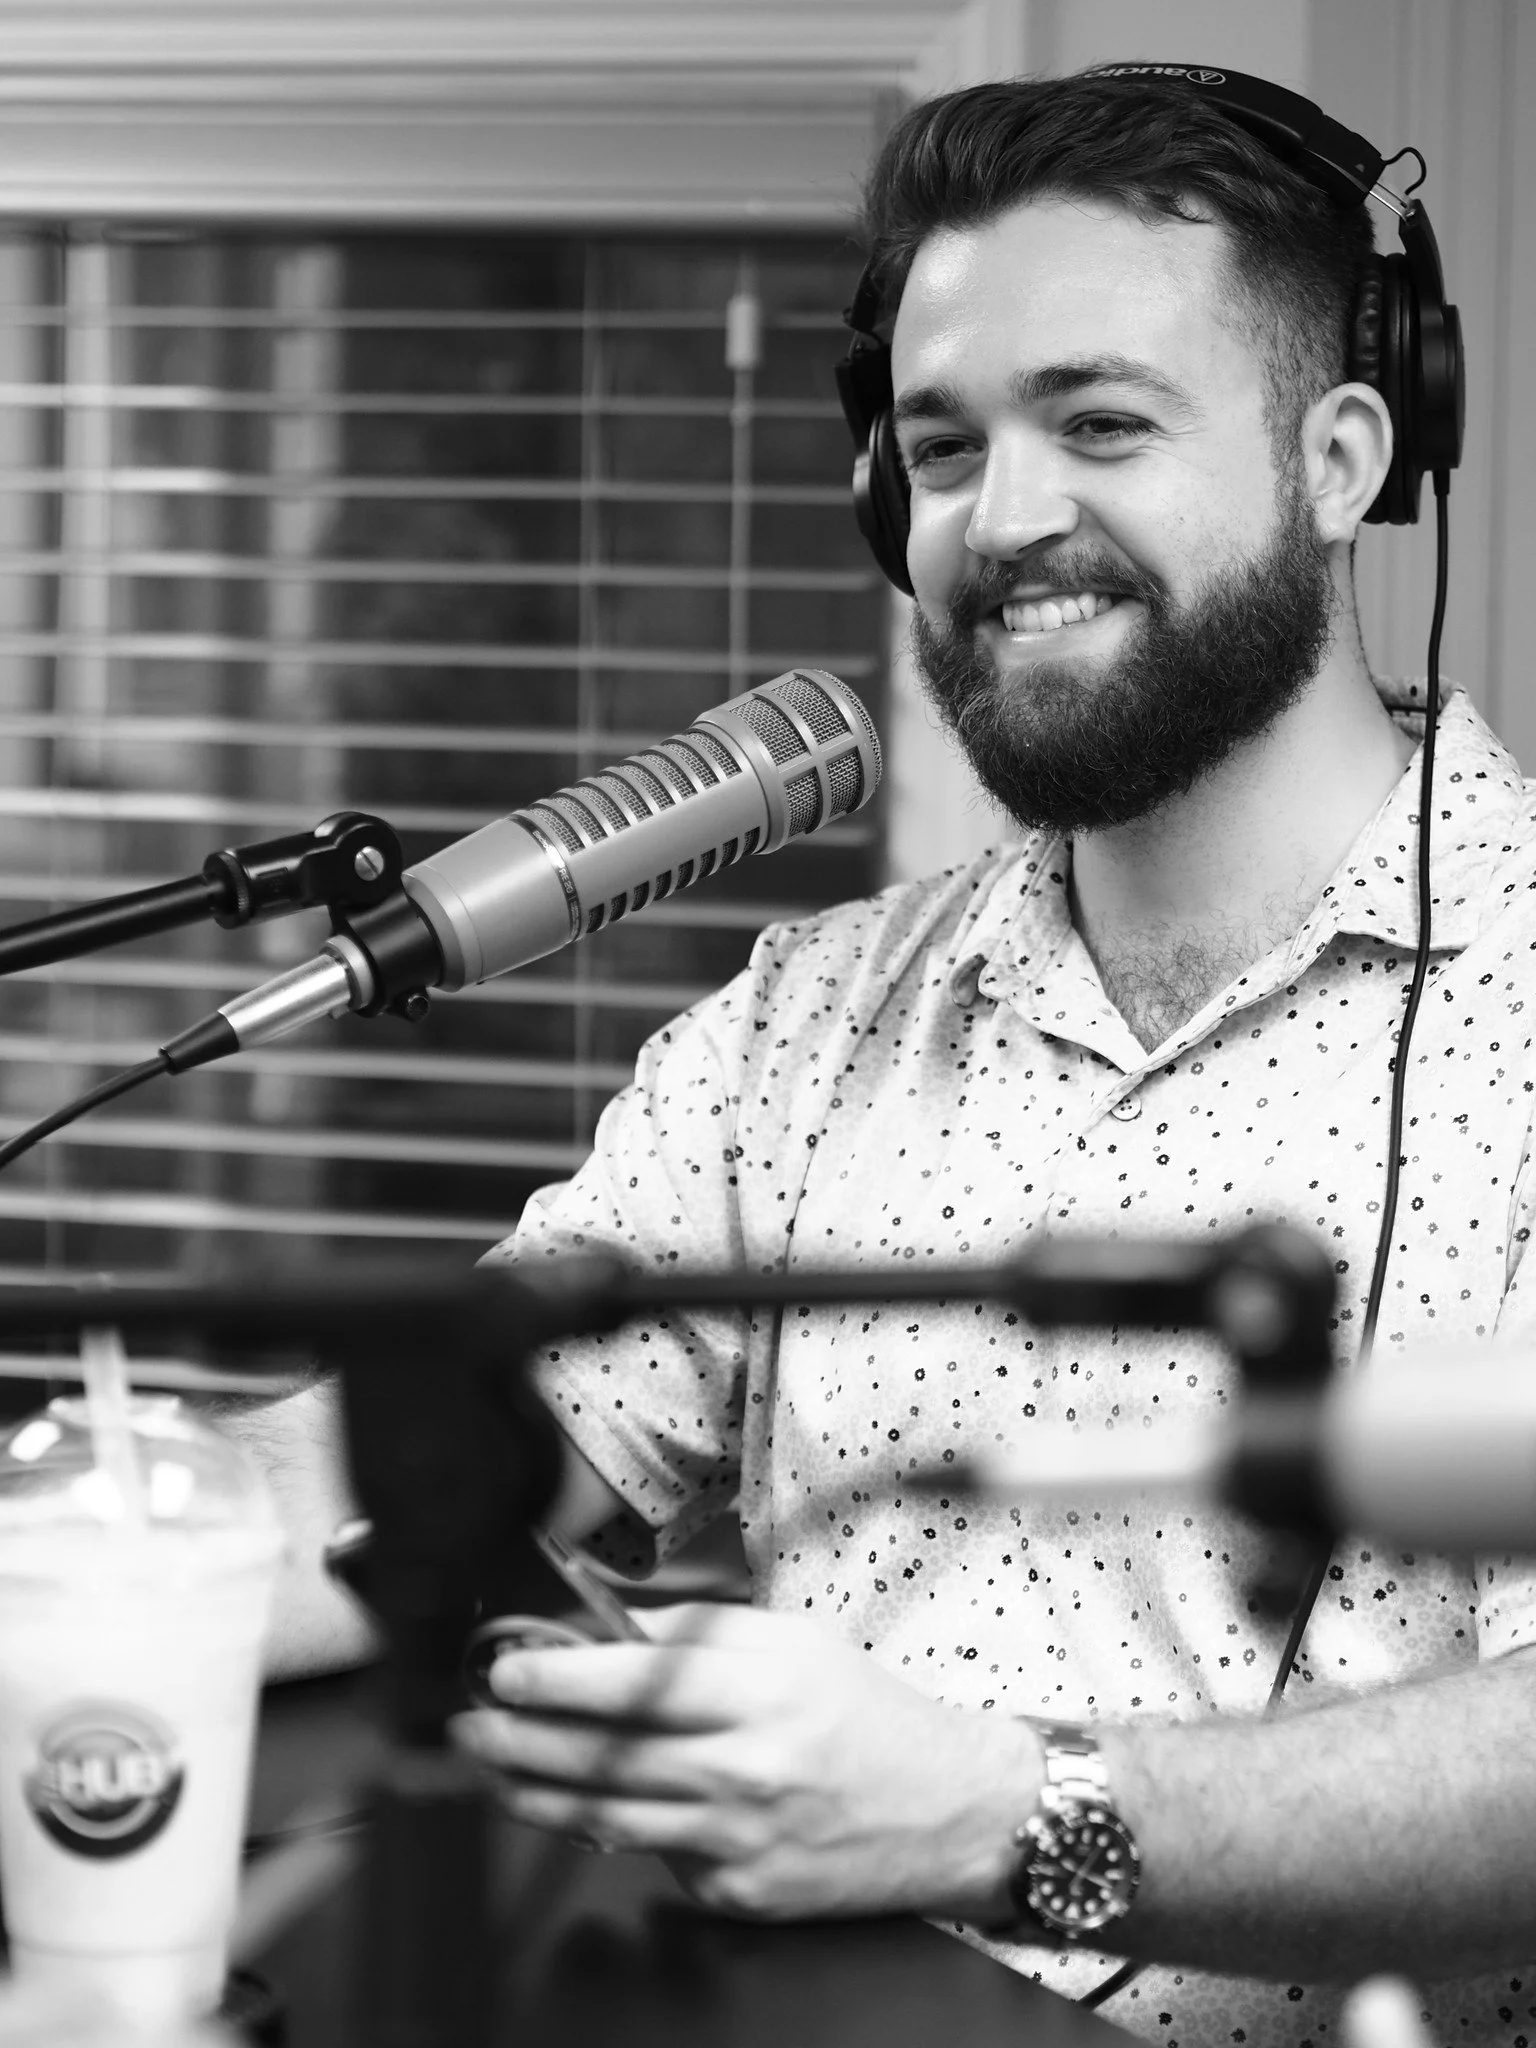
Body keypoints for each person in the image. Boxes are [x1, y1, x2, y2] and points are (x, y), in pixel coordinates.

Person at [262, 70, 1536, 2048]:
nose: (1001, 521)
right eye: (943, 446)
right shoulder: (807, 1016)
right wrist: (120, 1531)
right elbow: (438, 1446)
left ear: (1346, 456)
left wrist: (1009, 1818)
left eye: (1101, 422)